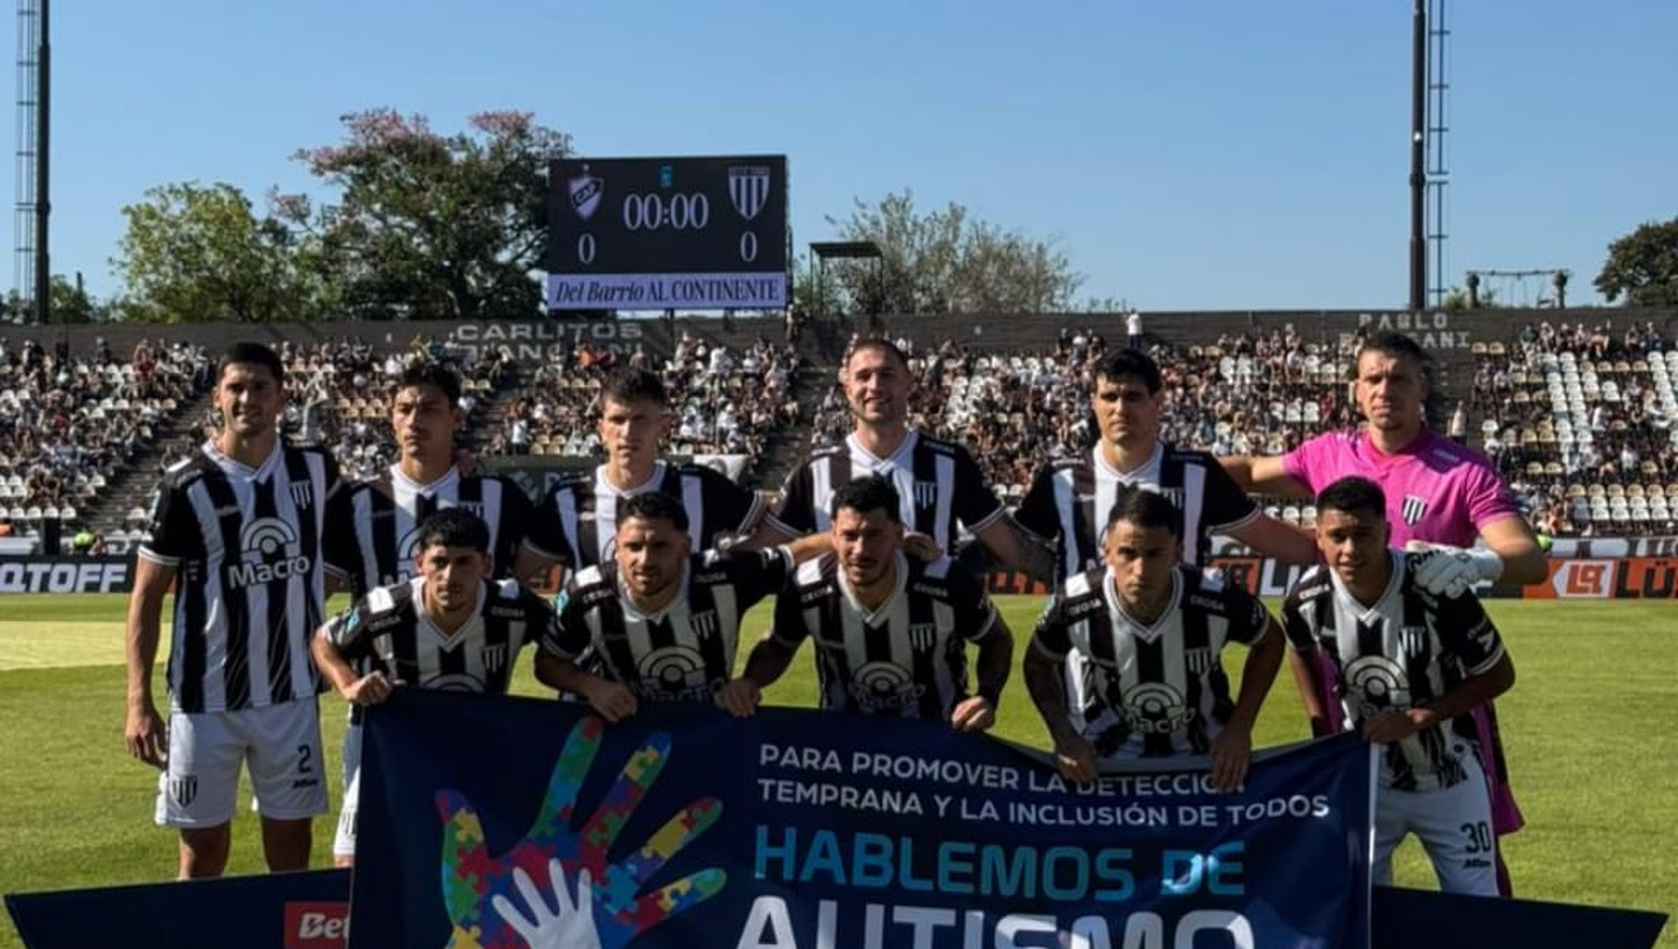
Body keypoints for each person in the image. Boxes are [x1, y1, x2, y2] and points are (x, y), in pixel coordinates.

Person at [1219, 329, 1536, 891]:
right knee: (1352, 872)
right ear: (1355, 391)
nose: (1385, 389)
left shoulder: (1461, 472)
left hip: (1445, 695)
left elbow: (1527, 559)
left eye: (1399, 378)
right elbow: (1246, 471)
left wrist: (1474, 562)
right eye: (1374, 378)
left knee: (1480, 859)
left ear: (1422, 390)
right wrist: (1166, 473)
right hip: (1356, 697)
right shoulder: (1326, 454)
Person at [124, 342, 341, 878]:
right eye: (236, 388)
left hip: (290, 695)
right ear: (217, 397)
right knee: (201, 854)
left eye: (260, 387)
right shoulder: (184, 485)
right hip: (205, 700)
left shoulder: (315, 469)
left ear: (282, 396)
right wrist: (137, 701)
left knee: (292, 850)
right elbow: (146, 597)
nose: (248, 399)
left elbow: (366, 524)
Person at [1281, 476, 1515, 895]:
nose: (1350, 549)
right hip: (1367, 781)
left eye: (1363, 534)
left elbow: (1500, 674)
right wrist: (1320, 725)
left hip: (1451, 776)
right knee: (1359, 907)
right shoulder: (1306, 601)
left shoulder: (1436, 589)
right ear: (1318, 536)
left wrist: (1418, 717)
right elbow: (1299, 651)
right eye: (1337, 536)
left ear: (1387, 532)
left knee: (1477, 909)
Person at [313, 508, 555, 866]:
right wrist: (349, 684)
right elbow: (323, 640)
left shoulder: (514, 605)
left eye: (464, 563)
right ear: (419, 562)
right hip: (387, 745)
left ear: (486, 564)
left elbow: (561, 648)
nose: (449, 576)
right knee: (356, 862)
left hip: (476, 746)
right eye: (439, 562)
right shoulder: (385, 609)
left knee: (481, 859)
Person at [1020, 487, 1285, 790]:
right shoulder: (1076, 604)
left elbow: (1270, 641)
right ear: (1107, 551)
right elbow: (1037, 664)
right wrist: (1065, 737)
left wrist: (1239, 729)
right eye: (1127, 553)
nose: (1140, 570)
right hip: (1106, 757)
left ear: (1177, 553)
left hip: (1207, 754)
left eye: (1154, 554)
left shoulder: (1216, 596)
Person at [720, 476, 1013, 730]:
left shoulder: (945, 581)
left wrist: (987, 696)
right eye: (849, 536)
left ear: (898, 534)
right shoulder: (805, 588)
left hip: (936, 742)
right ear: (833, 533)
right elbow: (778, 647)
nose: (861, 550)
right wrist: (750, 682)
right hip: (845, 745)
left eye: (874, 535)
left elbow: (997, 638)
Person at [750, 337, 1046, 575]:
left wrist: (1079, 581)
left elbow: (1013, 549)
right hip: (842, 644)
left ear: (908, 382)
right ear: (847, 387)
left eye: (887, 375)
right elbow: (762, 555)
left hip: (935, 644)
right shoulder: (814, 470)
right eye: (864, 376)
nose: (875, 386)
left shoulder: (949, 463)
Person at [535, 492, 809, 719]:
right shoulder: (586, 594)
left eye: (660, 546)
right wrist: (590, 686)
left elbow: (798, 552)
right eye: (633, 546)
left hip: (709, 728)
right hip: (625, 731)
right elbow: (548, 663)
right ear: (617, 547)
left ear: (685, 547)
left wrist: (748, 681)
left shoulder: (723, 573)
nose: (644, 560)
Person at [324, 362, 568, 598]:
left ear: (458, 418)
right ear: (392, 420)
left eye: (429, 409)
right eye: (404, 410)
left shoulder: (501, 495)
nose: (413, 422)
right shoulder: (357, 501)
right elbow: (318, 585)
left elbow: (541, 556)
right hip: (384, 641)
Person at [541, 368, 766, 573]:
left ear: (664, 426)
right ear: (601, 429)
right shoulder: (567, 497)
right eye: (617, 420)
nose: (628, 432)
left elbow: (775, 524)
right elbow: (520, 573)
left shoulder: (700, 486)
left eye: (640, 420)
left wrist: (731, 570)